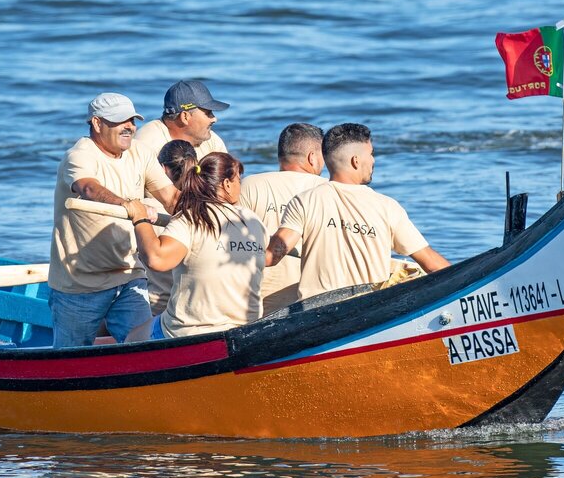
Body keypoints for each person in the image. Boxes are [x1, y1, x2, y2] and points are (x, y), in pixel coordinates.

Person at [48, 92, 178, 347]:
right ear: (97, 123)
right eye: (121, 121)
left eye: (133, 120)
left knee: (145, 349)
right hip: (80, 283)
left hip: (130, 274)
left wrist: (206, 215)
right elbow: (88, 187)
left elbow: (171, 197)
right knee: (70, 360)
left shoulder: (140, 153)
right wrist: (127, 205)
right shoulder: (80, 155)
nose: (130, 127)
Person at [265, 123, 449, 301]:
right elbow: (431, 264)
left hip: (315, 312)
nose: (373, 160)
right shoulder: (387, 207)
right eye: (371, 154)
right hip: (369, 309)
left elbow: (272, 256)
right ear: (356, 161)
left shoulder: (305, 200)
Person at [125, 152, 265, 339]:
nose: (240, 186)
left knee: (132, 337)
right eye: (239, 180)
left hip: (190, 331)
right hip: (247, 329)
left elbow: (156, 259)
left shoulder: (191, 218)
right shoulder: (254, 221)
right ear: (227, 184)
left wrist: (140, 218)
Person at [238, 123, 327, 314]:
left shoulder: (250, 185)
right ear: (312, 157)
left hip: (253, 303)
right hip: (310, 302)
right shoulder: (327, 190)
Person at [144, 139, 199, 317]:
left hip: (156, 309)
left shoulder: (146, 208)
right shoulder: (204, 209)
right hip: (191, 307)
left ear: (162, 170)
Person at [134, 79, 229, 159]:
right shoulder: (147, 145)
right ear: (185, 117)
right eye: (208, 113)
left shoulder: (211, 140)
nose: (214, 119)